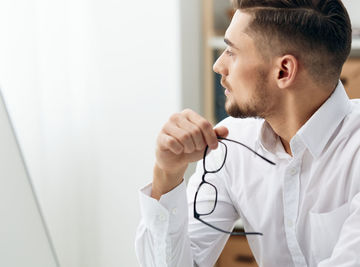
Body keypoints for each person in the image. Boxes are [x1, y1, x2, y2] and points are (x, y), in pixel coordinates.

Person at [135, 0, 360, 266]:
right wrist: (167, 173)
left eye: (231, 51)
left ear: (283, 70)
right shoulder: (232, 144)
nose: (218, 65)